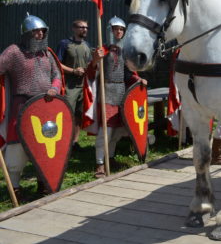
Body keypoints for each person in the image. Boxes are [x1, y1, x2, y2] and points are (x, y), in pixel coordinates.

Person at [0, 14, 62, 200]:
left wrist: (54, 88)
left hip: (45, 106)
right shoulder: (14, 52)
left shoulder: (47, 53)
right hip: (21, 106)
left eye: (43, 31)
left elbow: (57, 75)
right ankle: (15, 187)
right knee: (17, 146)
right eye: (36, 31)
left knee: (44, 144)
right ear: (27, 33)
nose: (40, 34)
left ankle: (44, 183)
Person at [84, 16, 146, 178]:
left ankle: (110, 159)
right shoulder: (102, 51)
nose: (118, 32)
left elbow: (129, 73)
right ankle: (99, 164)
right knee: (106, 131)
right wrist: (96, 60)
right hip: (107, 93)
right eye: (115, 29)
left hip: (121, 94)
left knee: (117, 132)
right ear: (109, 31)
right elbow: (90, 73)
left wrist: (138, 79)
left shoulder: (125, 51)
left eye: (121, 29)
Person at [57, 19, 92, 151]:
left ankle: (74, 142)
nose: (84, 29)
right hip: (69, 85)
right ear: (74, 28)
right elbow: (57, 63)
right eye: (81, 27)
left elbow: (89, 63)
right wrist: (73, 71)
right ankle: (63, 143)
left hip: (83, 85)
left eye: (86, 27)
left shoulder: (87, 45)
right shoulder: (65, 44)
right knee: (66, 114)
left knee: (78, 115)